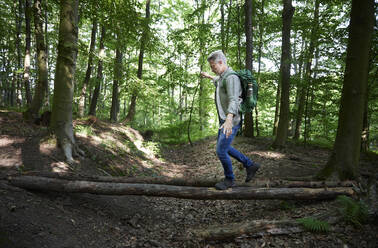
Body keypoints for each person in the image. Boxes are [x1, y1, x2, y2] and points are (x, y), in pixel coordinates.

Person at [201, 50, 260, 190]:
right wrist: (209, 76)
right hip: (225, 121)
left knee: (221, 151)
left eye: (213, 67)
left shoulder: (231, 78)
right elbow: (218, 81)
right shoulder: (222, 76)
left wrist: (228, 120)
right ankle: (250, 165)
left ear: (221, 62)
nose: (212, 69)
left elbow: (234, 100)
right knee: (225, 148)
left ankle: (230, 180)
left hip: (231, 121)